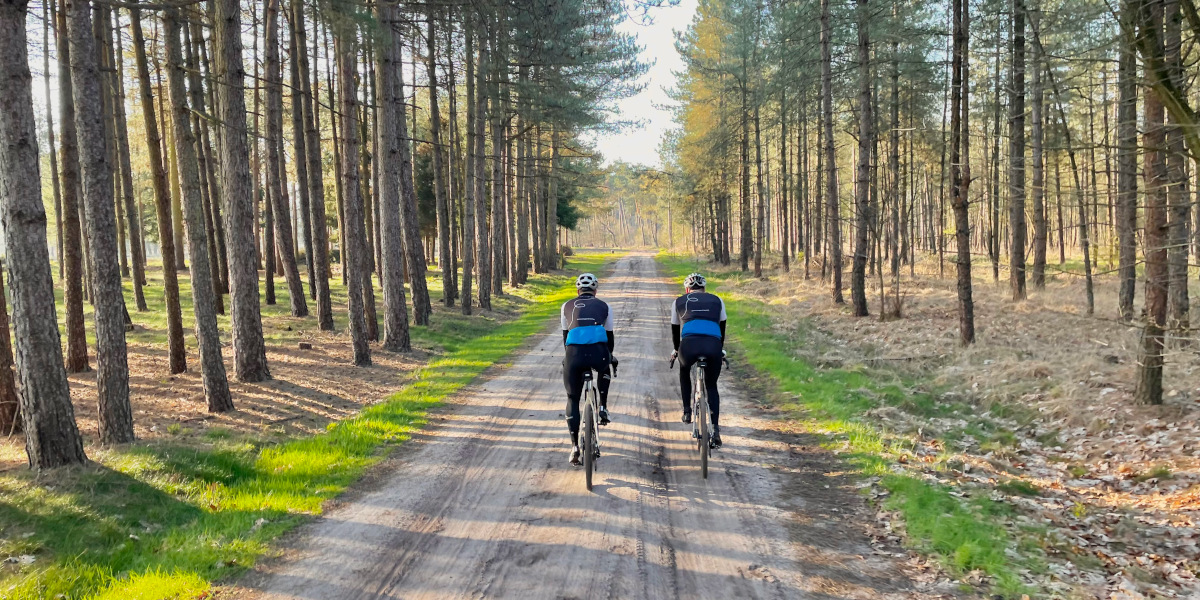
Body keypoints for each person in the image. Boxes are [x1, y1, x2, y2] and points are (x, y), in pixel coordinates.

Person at [561, 273, 615, 466]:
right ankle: (602, 407)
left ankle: (574, 446)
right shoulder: (604, 306)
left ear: (577, 291)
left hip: (574, 354)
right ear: (595, 291)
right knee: (604, 365)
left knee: (572, 398)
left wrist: (568, 359)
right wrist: (610, 356)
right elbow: (609, 337)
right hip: (598, 352)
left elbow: (566, 337)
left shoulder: (566, 306)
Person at [670, 272, 726, 447]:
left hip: (689, 345)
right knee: (711, 386)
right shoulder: (717, 300)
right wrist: (720, 349)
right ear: (704, 288)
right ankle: (715, 429)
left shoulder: (679, 301)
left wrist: (676, 349)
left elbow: (675, 329)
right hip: (713, 345)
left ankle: (687, 411)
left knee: (684, 370)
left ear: (687, 289)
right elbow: (721, 328)